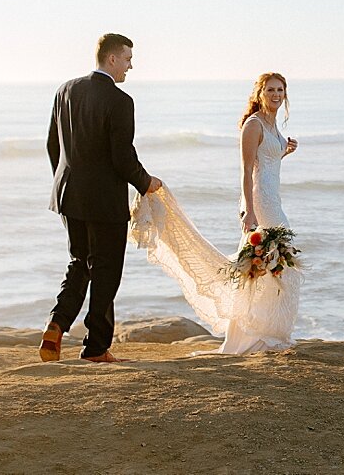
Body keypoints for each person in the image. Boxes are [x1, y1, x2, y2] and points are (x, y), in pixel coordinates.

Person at [129, 72, 302, 354]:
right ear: (260, 93)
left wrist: (284, 150)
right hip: (260, 202)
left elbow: (267, 161)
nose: (276, 95)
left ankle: (266, 332)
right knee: (265, 265)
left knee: (271, 267)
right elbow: (247, 171)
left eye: (280, 90)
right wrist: (248, 210)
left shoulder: (272, 124)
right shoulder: (254, 125)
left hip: (274, 199)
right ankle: (250, 337)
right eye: (271, 89)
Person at [39, 33, 162, 363]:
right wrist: (145, 182)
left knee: (80, 263)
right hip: (104, 202)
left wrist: (64, 181)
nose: (130, 66)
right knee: (106, 271)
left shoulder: (65, 90)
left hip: (67, 195)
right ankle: (95, 348)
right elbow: (122, 157)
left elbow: (54, 144)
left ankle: (57, 323)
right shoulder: (120, 101)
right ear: (111, 59)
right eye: (127, 59)